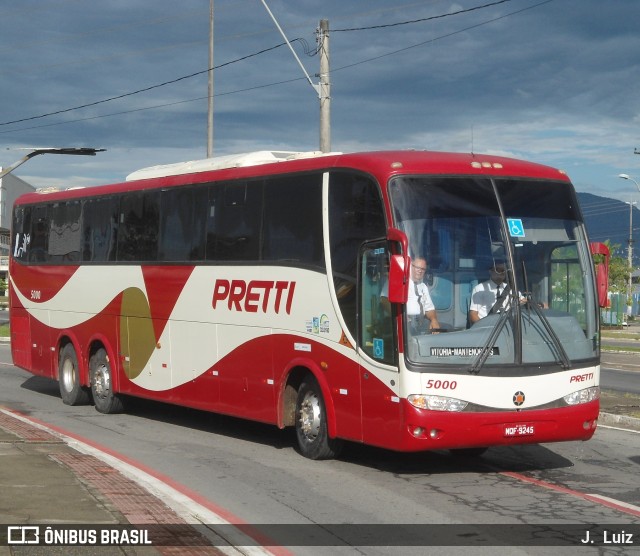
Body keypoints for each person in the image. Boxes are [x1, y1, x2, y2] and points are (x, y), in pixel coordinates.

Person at [406, 257, 441, 334]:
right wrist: (401, 316)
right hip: (406, 324)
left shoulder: (423, 286)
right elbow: (384, 299)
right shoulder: (401, 282)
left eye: (423, 269)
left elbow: (429, 308)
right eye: (417, 267)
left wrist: (434, 320)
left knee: (446, 329)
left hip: (420, 323)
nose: (420, 271)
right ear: (410, 266)